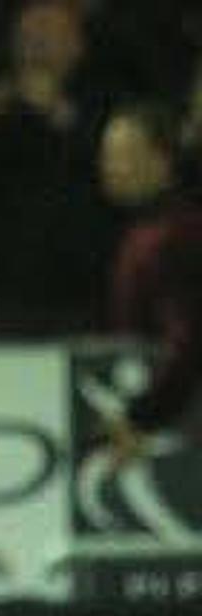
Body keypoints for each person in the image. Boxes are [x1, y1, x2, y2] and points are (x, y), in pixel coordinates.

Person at [96, 101, 202, 465]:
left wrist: (140, 416)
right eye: (107, 155)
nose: (109, 167)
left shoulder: (177, 235)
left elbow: (187, 341)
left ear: (162, 160)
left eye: (124, 155)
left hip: (180, 422)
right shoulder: (142, 232)